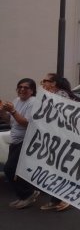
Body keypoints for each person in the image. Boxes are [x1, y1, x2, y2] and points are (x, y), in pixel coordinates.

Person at [39, 74, 80, 211]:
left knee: (61, 168)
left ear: (54, 84)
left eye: (46, 81)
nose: (43, 83)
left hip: (64, 139)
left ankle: (65, 197)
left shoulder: (60, 96)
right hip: (56, 139)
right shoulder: (52, 96)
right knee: (55, 168)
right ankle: (55, 199)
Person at [1, 78, 40, 209]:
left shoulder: (33, 103)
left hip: (26, 140)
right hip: (15, 140)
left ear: (32, 90)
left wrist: (12, 111)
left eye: (26, 88)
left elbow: (25, 123)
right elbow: (11, 121)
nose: (22, 90)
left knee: (9, 168)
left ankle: (28, 194)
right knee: (18, 170)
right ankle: (24, 196)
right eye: (20, 87)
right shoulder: (16, 101)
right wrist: (2, 111)